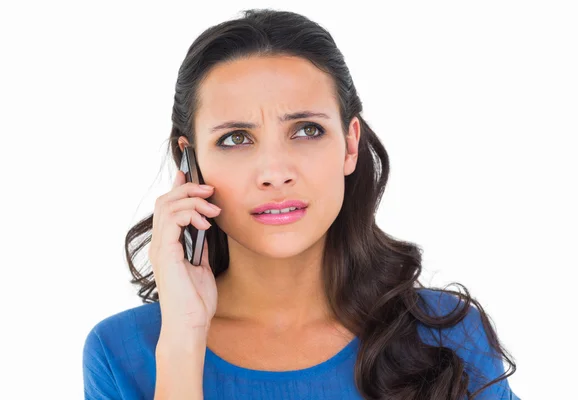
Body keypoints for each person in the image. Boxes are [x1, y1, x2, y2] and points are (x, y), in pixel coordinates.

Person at [83, 8, 520, 400]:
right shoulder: (123, 352)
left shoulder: (448, 333)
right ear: (190, 159)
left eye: (307, 130)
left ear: (350, 145)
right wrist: (182, 336)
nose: (275, 171)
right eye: (236, 138)